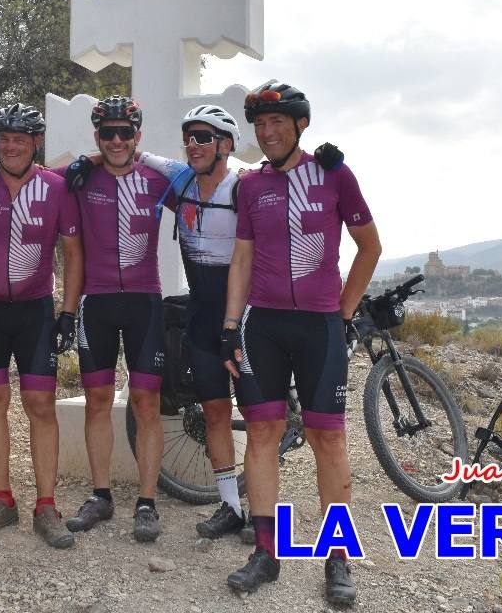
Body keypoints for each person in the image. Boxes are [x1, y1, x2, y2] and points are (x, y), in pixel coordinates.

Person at [220, 80, 381, 602]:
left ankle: (337, 559)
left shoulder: (334, 174)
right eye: (260, 125)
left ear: (300, 126)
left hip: (319, 328)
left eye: (278, 124)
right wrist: (229, 327)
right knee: (263, 436)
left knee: (327, 439)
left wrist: (343, 311)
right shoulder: (250, 186)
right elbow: (241, 258)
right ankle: (266, 553)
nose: (267, 133)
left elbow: (370, 246)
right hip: (262, 325)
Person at [0, 103, 83, 548]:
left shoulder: (57, 187)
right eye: (4, 138)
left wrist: (68, 310)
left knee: (41, 405)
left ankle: (47, 506)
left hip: (35, 312)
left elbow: (73, 251)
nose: (11, 146)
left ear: (36, 144)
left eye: (21, 139)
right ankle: (1, 500)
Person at [135, 104, 250, 539]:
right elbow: (135, 156)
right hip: (202, 314)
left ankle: (262, 510)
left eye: (203, 138)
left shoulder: (244, 185)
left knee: (257, 419)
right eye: (189, 137)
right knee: (215, 412)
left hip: (242, 314)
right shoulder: (181, 179)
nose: (192, 145)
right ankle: (230, 506)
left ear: (225, 145)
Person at [61, 95, 171, 542]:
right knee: (98, 401)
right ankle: (101, 494)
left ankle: (147, 502)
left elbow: (206, 175)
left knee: (147, 404)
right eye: (108, 132)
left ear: (137, 136)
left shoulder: (156, 179)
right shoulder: (80, 181)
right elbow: (30, 179)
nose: (117, 139)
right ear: (97, 137)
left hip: (145, 300)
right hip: (97, 302)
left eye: (126, 131)